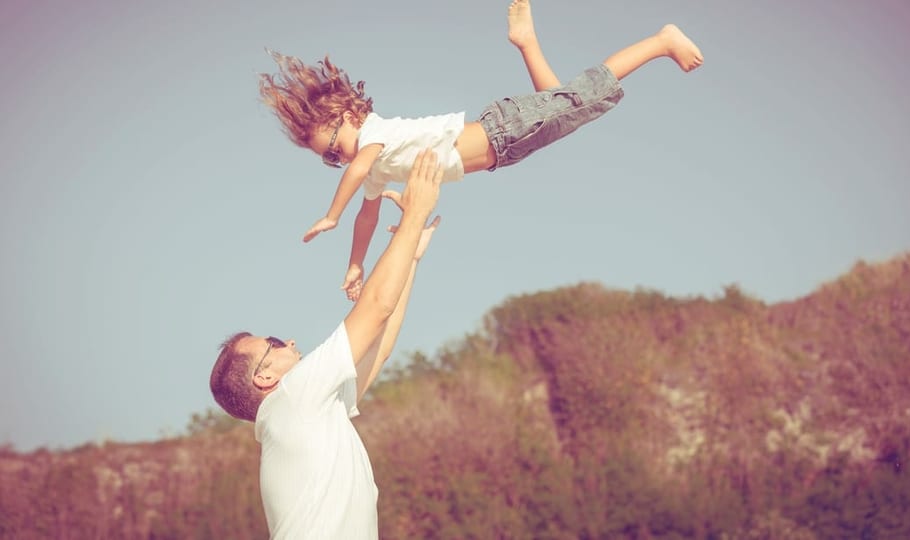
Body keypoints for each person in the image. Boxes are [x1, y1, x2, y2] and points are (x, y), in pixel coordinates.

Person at [259, 0, 704, 300]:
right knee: (568, 105)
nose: (340, 160)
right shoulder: (373, 162)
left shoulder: (376, 134)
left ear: (346, 117)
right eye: (330, 158)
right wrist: (354, 265)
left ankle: (660, 42)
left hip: (500, 131)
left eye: (335, 148)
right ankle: (527, 43)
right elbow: (368, 215)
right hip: (504, 153)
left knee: (581, 100)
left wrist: (331, 214)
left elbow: (355, 180)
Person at [208, 151, 443, 539]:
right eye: (275, 342)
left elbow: (378, 348)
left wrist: (411, 253)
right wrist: (414, 215)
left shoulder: (305, 412)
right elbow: (376, 306)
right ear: (265, 376)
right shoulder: (294, 397)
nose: (292, 341)